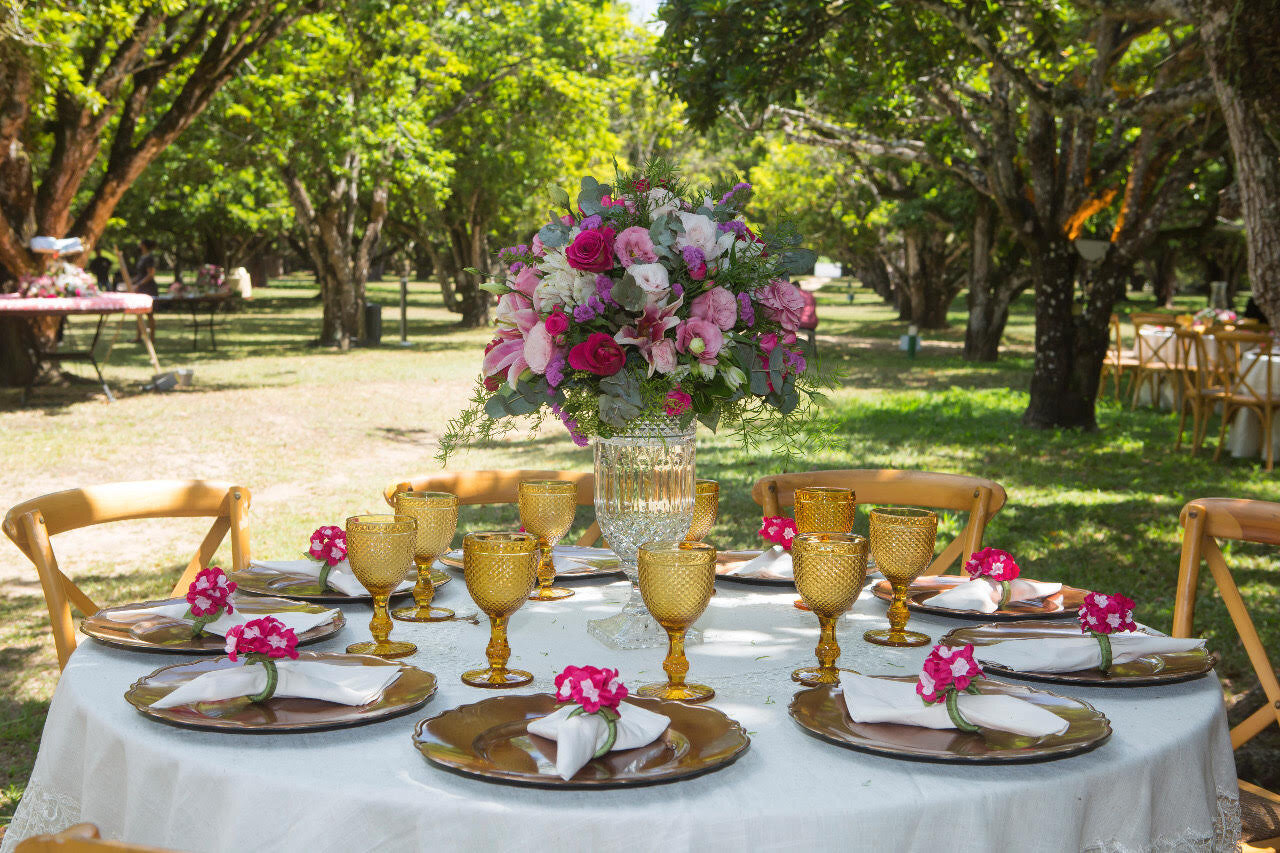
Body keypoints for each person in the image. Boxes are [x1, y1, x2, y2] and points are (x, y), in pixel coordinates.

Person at [131, 239, 159, 342]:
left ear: (143, 245)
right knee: (139, 313)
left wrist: (139, 284)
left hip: (149, 288)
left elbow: (150, 274)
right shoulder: (142, 257)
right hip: (141, 288)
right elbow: (140, 275)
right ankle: (138, 337)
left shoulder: (149, 258)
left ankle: (152, 338)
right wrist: (132, 281)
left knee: (149, 314)